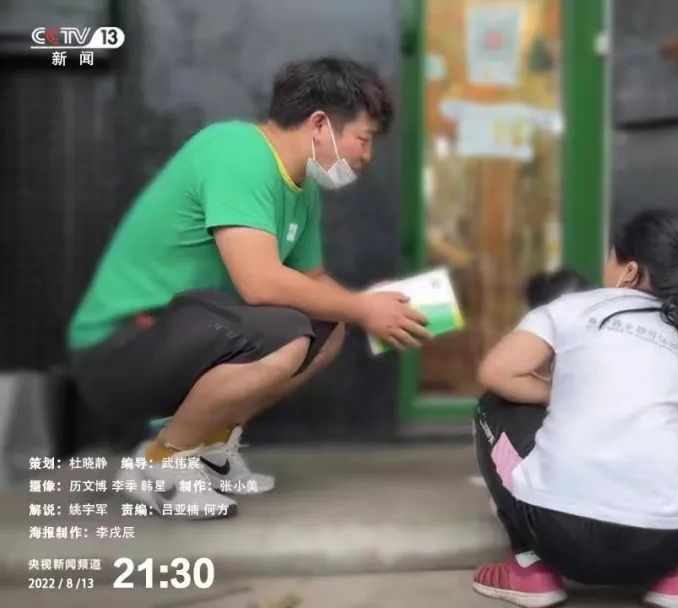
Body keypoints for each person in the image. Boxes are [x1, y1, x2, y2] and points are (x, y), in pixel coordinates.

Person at [66, 57, 431, 520]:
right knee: (283, 334)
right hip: (117, 346)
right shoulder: (237, 152)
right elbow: (259, 282)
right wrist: (362, 307)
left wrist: (379, 307)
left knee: (329, 328)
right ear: (320, 124)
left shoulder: (301, 187)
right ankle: (160, 465)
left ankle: (208, 450)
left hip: (184, 332)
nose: (367, 155)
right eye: (365, 138)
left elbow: (312, 281)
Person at [470, 210, 678, 608]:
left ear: (629, 271)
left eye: (610, 258)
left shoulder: (571, 308)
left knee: (493, 403)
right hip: (667, 543)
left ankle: (530, 565)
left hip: (554, 533)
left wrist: (561, 393)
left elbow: (497, 372)